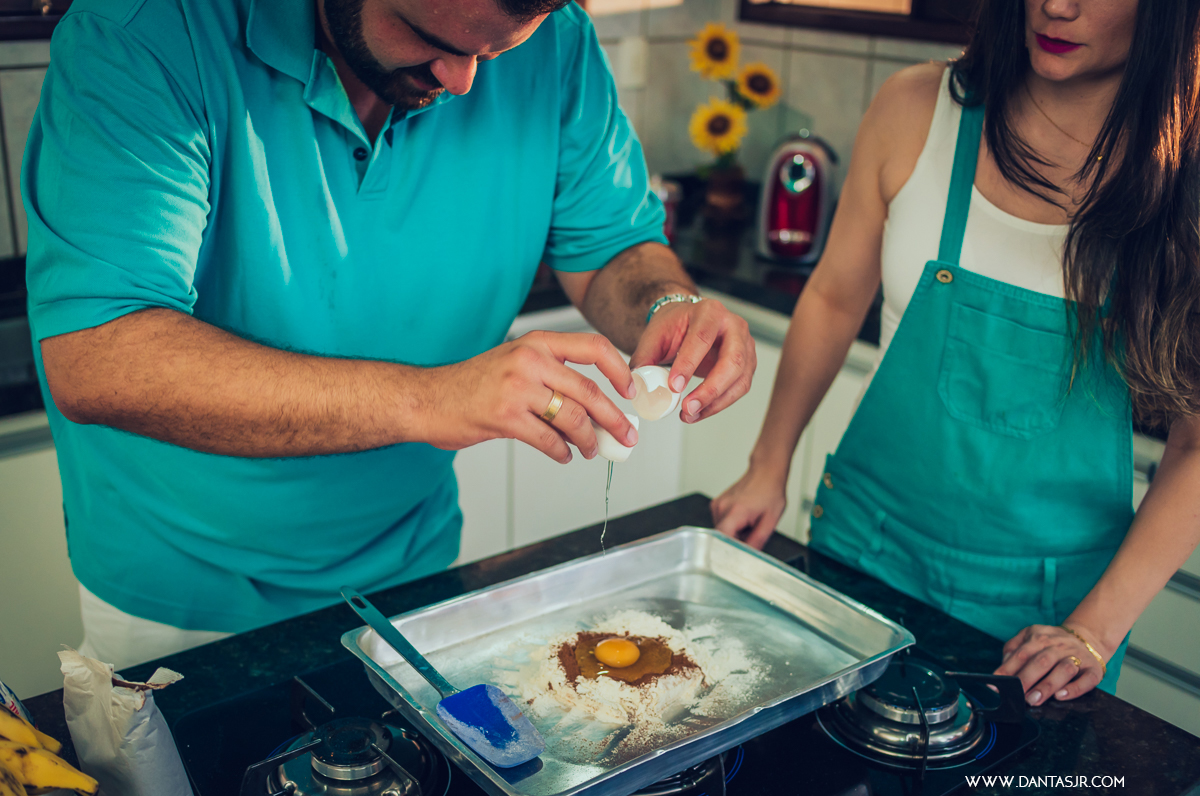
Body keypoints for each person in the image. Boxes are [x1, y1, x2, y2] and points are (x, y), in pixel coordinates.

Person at [23, 0, 755, 668]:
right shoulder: (146, 33)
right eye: (431, 40)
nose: (464, 82)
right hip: (178, 598)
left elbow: (613, 248)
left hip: (415, 570)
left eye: (495, 52)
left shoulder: (554, 40)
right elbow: (98, 355)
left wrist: (666, 305)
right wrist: (432, 399)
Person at [714, 0, 1200, 706]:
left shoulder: (1182, 178)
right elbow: (833, 298)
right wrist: (768, 463)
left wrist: (1093, 629)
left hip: (1047, 617)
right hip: (864, 551)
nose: (1055, 6)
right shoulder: (917, 107)